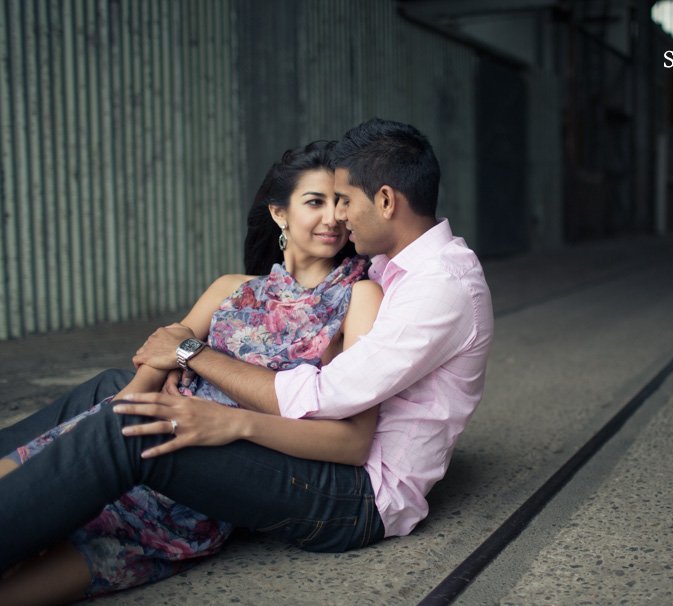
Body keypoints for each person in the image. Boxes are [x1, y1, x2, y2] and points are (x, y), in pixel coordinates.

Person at [0, 118, 494, 590]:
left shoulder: (435, 286)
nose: (337, 216)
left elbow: (332, 400)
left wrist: (202, 371)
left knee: (132, 426)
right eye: (320, 201)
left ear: (385, 200)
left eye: (342, 201)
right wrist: (170, 365)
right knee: (119, 395)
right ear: (280, 213)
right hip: (316, 453)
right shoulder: (392, 265)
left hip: (359, 492)